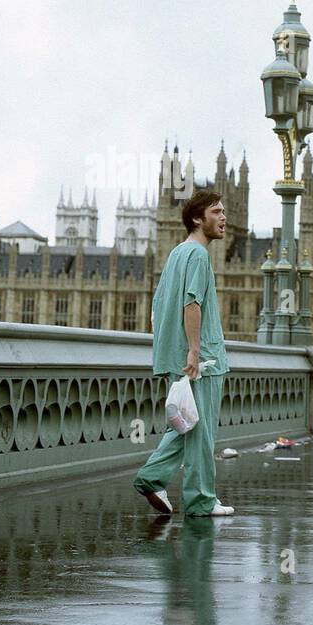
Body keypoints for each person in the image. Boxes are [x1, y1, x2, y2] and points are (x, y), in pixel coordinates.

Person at [134, 188, 234, 517]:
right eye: (216, 212)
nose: (223, 218)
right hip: (202, 358)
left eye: (223, 212)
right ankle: (201, 500)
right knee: (201, 431)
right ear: (197, 219)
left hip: (179, 356)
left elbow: (160, 304)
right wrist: (194, 351)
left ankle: (151, 478)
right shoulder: (199, 256)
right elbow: (192, 303)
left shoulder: (177, 253)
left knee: (186, 424)